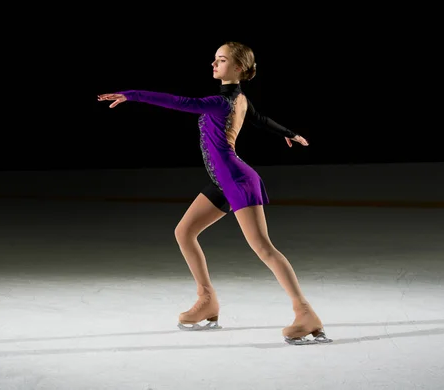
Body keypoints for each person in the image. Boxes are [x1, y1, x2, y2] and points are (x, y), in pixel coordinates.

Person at [98, 41, 331, 345]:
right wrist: (288, 133)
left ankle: (305, 314)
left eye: (221, 60)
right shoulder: (240, 100)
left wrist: (133, 95)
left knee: (264, 249)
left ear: (237, 68)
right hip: (223, 180)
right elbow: (259, 120)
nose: (213, 64)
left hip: (236, 179)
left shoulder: (221, 103)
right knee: (184, 232)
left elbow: (177, 101)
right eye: (214, 59)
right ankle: (207, 300)